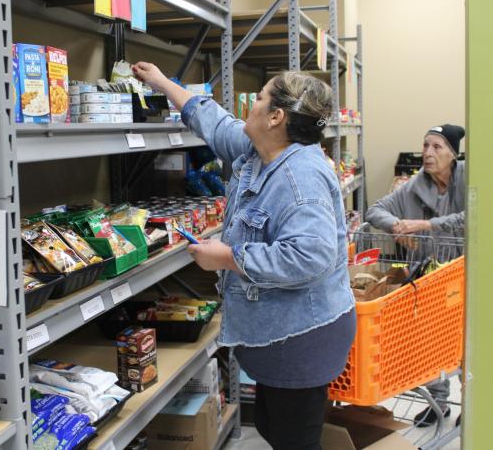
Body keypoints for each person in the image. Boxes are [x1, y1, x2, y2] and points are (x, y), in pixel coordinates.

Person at [133, 62, 356, 449]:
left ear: (276, 116)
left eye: (261, 97)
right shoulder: (263, 149)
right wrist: (162, 82)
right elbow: (216, 124)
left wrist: (229, 257)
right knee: (273, 427)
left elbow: (310, 256)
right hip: (279, 330)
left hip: (302, 333)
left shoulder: (299, 177)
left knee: (295, 440)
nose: (251, 102)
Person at [366, 124, 465, 427]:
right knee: (432, 338)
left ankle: (473, 405)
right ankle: (439, 404)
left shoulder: (469, 178)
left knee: (468, 340)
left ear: (453, 154)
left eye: (437, 147)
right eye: (425, 146)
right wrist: (397, 226)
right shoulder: (414, 185)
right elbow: (374, 210)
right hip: (429, 277)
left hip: (466, 272)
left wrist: (425, 226)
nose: (428, 153)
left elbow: (477, 213)